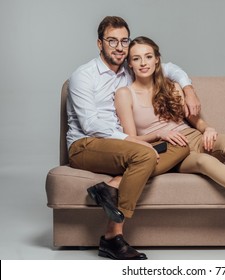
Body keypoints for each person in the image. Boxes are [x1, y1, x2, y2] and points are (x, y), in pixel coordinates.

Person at [114, 36, 225, 225]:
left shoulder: (171, 86)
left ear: (157, 59)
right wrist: (159, 134)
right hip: (170, 150)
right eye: (136, 58)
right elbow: (131, 139)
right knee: (203, 161)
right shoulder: (125, 94)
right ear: (129, 64)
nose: (143, 63)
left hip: (193, 137)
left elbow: (195, 121)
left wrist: (208, 129)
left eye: (148, 57)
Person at [66, 16, 199, 260]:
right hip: (85, 145)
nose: (119, 47)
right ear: (99, 44)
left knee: (179, 144)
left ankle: (111, 187)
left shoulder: (129, 69)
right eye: (112, 41)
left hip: (119, 145)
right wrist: (132, 139)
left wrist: (188, 90)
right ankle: (113, 237)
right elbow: (90, 125)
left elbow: (170, 68)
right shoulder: (83, 76)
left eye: (124, 41)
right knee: (145, 153)